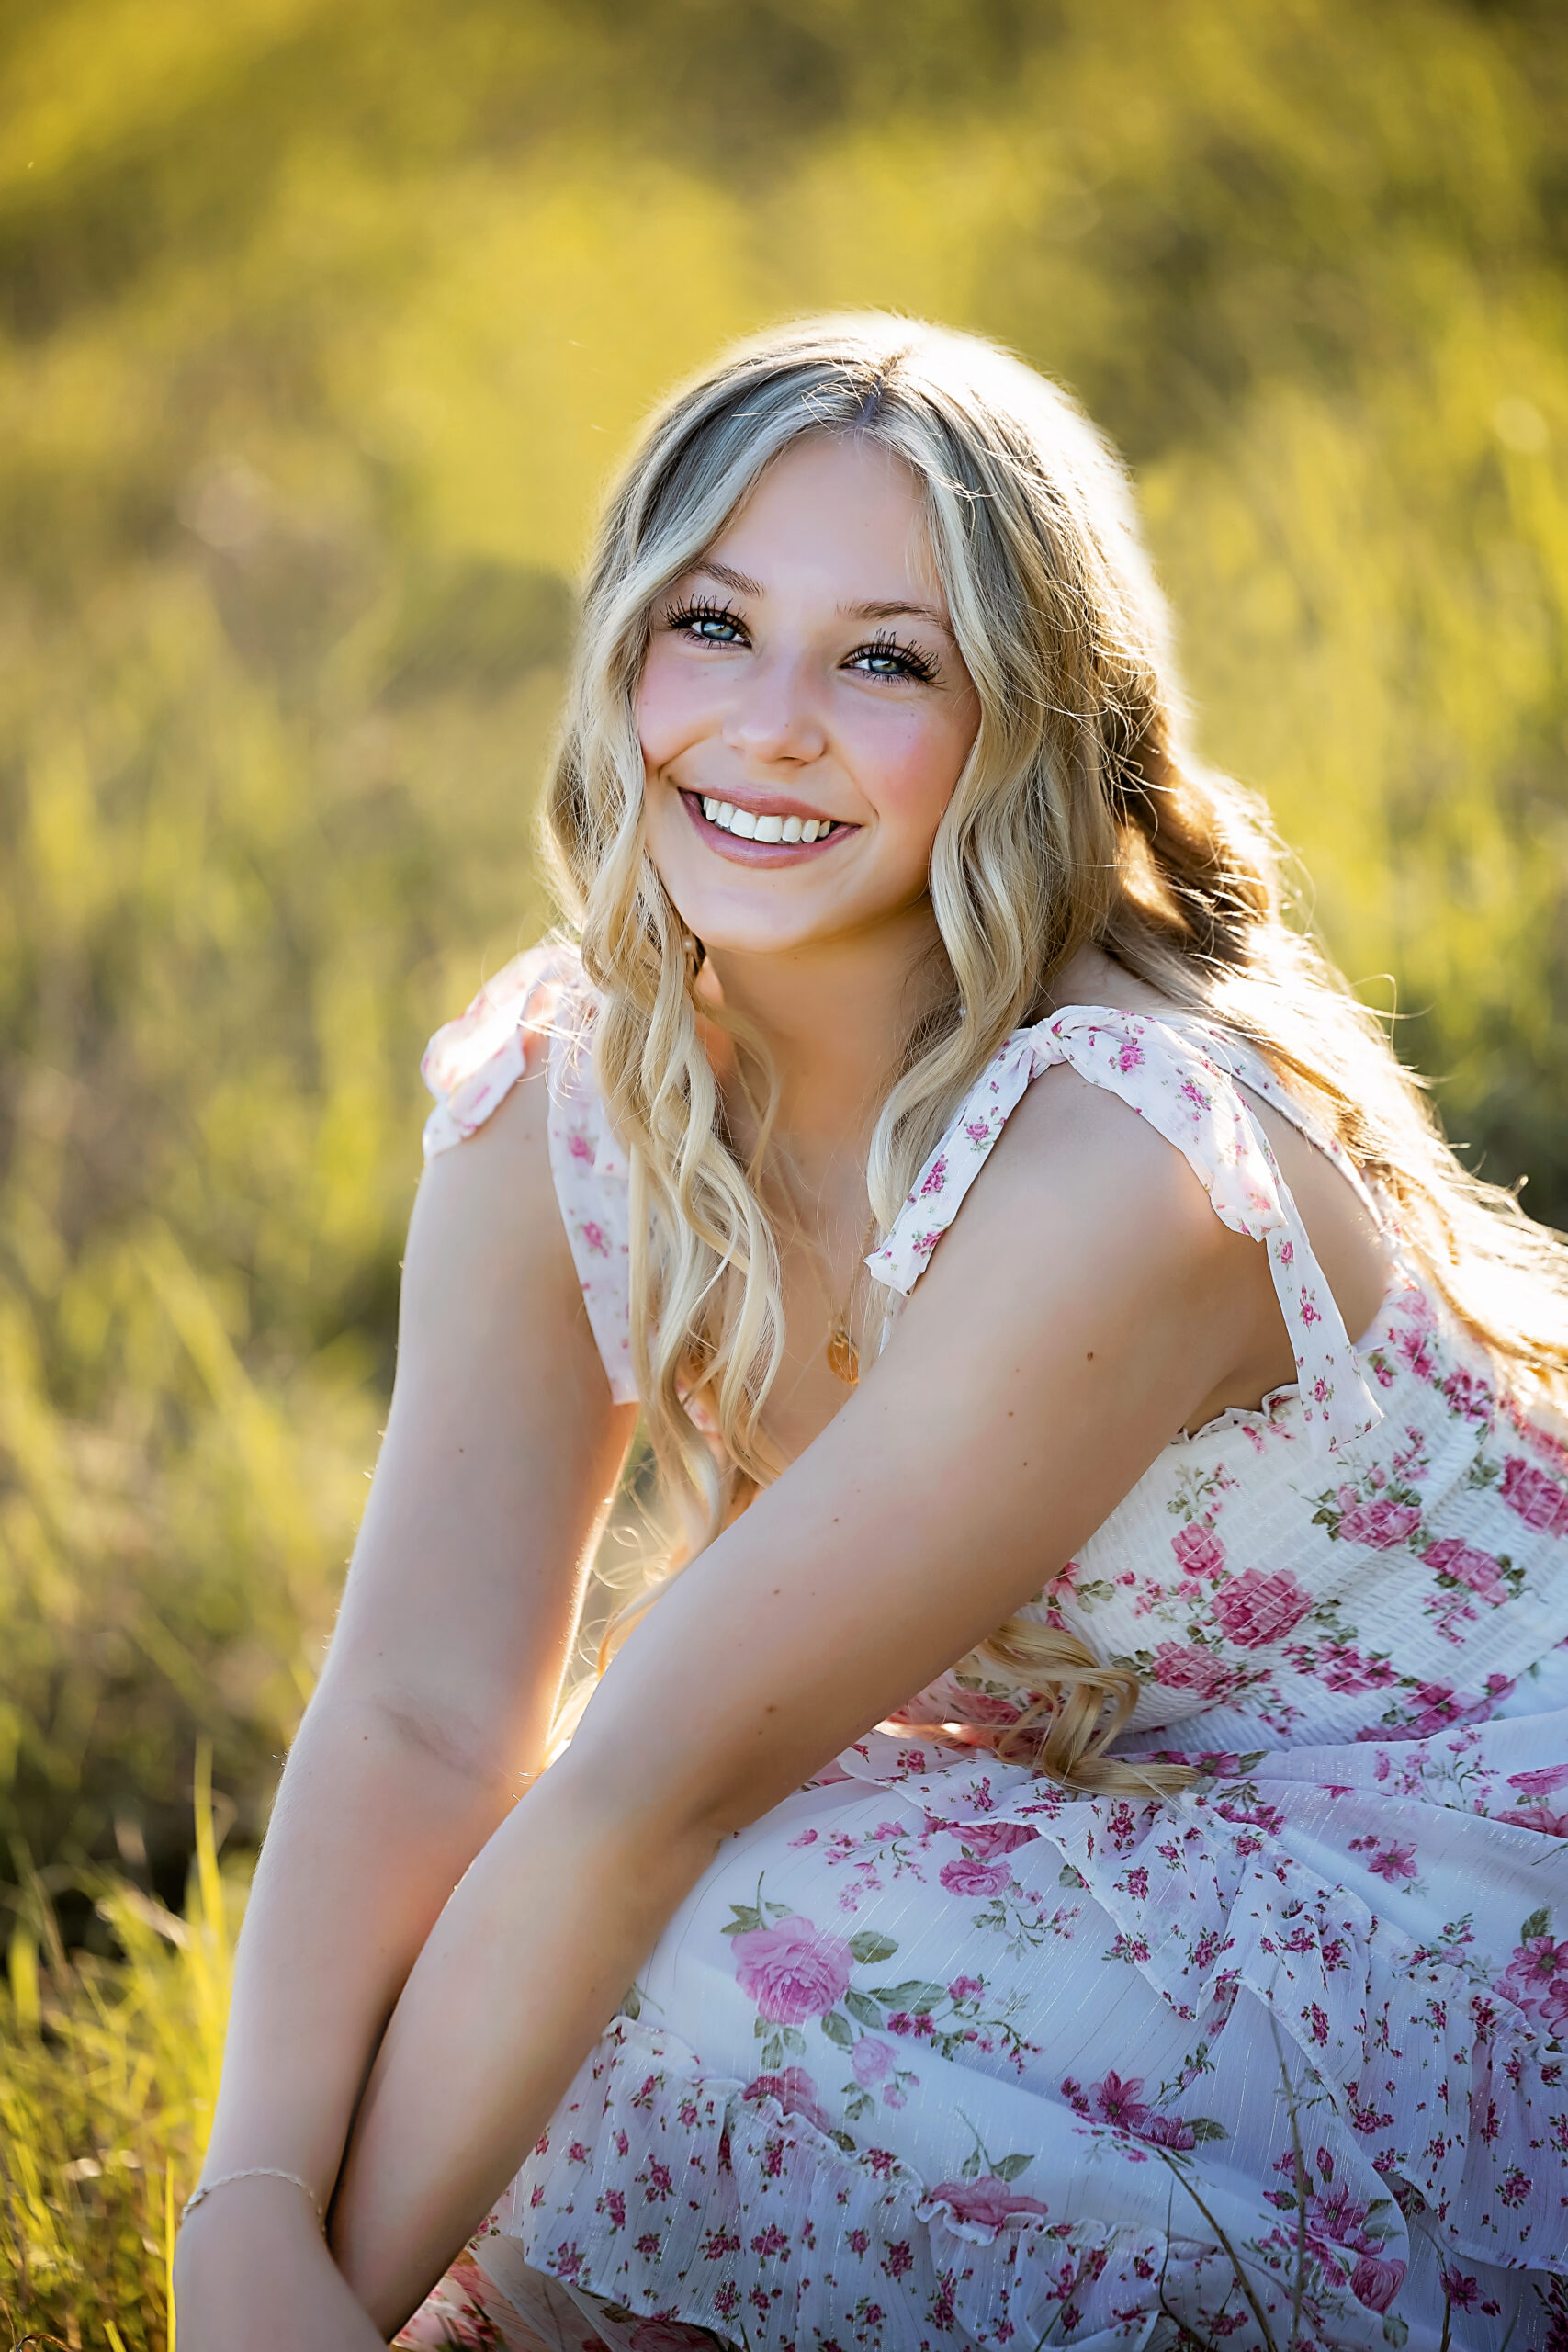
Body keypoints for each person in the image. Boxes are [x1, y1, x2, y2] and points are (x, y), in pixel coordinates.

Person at [173, 315, 1568, 2352]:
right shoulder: (576, 1084)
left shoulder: (1119, 1159)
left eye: (885, 661)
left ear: (1029, 724)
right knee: (535, 1922)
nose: (768, 727)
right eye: (713, 624)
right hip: (1140, 1806)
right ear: (621, 646)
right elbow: (417, 1710)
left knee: (713, 1938)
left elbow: (641, 1795)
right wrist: (245, 2227)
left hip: (1470, 1847)